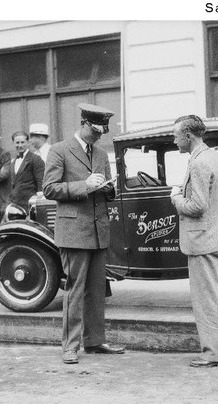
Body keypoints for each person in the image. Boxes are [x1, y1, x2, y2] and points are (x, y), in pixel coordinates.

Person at [43, 103, 124, 364]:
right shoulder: (59, 150)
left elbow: (110, 191)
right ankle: (70, 346)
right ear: (85, 124)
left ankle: (95, 341)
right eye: (98, 131)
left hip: (98, 231)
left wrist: (110, 189)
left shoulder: (101, 153)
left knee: (97, 290)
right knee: (75, 290)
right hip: (74, 231)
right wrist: (84, 186)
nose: (101, 136)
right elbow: (49, 189)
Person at [170, 115, 218, 368]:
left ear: (188, 136)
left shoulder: (198, 163)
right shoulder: (213, 158)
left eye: (175, 136)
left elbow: (197, 206)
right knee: (213, 297)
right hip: (216, 236)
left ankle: (214, 354)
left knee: (206, 299)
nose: (173, 140)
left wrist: (176, 198)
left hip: (202, 240)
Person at [8, 131, 45, 212]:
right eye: (17, 143)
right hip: (15, 205)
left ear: (28, 143)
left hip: (29, 205)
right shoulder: (14, 162)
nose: (20, 145)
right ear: (13, 144)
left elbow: (41, 182)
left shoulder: (35, 159)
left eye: (22, 142)